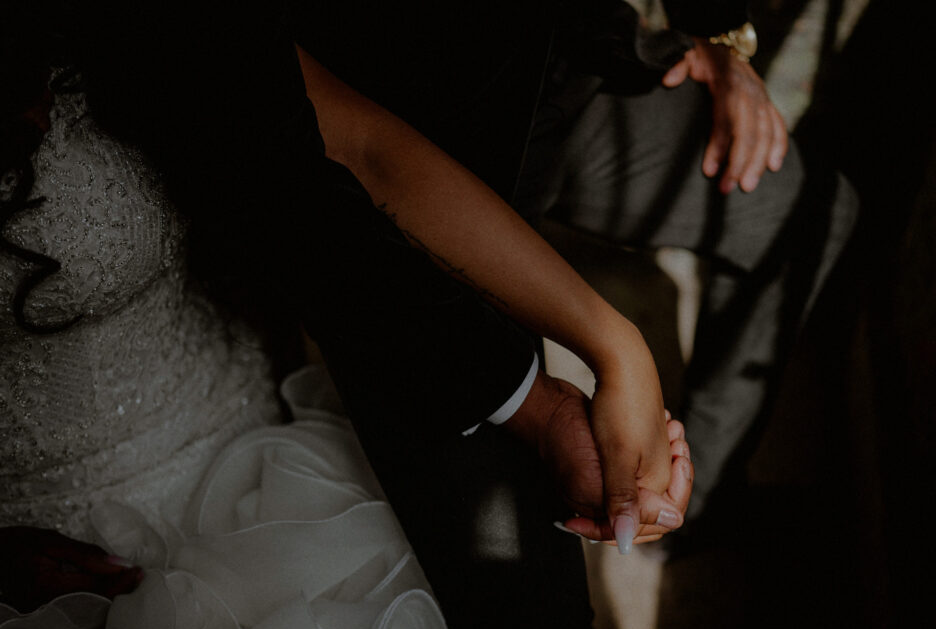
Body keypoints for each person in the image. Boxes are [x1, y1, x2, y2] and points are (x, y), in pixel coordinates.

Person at [0, 3, 691, 629]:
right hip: (22, 549)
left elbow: (362, 147)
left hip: (266, 459)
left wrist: (615, 348)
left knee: (521, 617)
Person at [293, 0, 859, 530]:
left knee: (808, 212)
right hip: (415, 142)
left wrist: (719, 32)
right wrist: (616, 353)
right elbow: (356, 146)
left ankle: (687, 502)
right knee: (510, 536)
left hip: (562, 67)